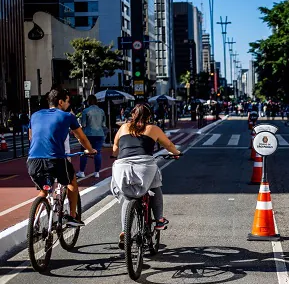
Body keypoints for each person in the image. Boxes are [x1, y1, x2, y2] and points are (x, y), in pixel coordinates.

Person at [111, 103, 181, 249]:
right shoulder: (153, 129)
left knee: (127, 197)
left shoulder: (123, 128)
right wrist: (176, 154)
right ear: (149, 117)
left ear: (132, 115)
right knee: (155, 184)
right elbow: (168, 145)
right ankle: (159, 219)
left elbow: (115, 147)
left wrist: (115, 155)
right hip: (144, 166)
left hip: (122, 167)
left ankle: (125, 231)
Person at [27, 89, 97, 227]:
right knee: (71, 181)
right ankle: (72, 216)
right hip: (56, 159)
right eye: (67, 101)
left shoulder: (35, 115)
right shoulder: (67, 116)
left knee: (44, 190)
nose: (68, 104)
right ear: (60, 102)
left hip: (33, 160)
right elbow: (80, 137)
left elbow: (31, 137)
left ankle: (34, 224)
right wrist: (90, 150)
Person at [76, 95, 106, 179]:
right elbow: (104, 124)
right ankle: (97, 172)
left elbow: (84, 124)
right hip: (99, 133)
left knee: (84, 152)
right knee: (98, 152)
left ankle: (82, 171)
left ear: (88, 101)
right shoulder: (101, 111)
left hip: (88, 134)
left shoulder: (86, 111)